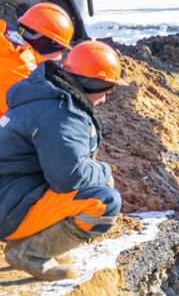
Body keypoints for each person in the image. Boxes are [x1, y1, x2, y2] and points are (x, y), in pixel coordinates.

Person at [0, 40, 123, 281]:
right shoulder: (61, 113)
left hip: (9, 192)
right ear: (95, 83)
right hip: (7, 202)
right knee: (103, 201)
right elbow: (69, 177)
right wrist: (105, 172)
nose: (104, 100)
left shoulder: (44, 96)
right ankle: (30, 253)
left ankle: (27, 241)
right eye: (106, 91)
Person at [0, 3, 73, 113]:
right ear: (45, 43)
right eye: (59, 49)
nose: (60, 56)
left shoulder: (4, 40)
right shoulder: (23, 71)